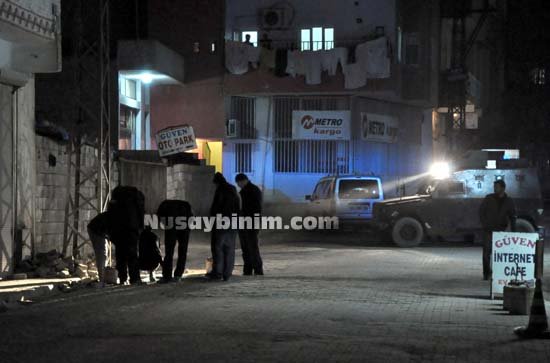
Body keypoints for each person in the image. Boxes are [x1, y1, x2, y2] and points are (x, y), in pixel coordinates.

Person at [479, 179, 517, 280]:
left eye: (497, 187)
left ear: (503, 188)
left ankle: (497, 273)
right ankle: (486, 273)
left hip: (501, 231)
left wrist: (514, 231)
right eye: (494, 187)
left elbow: (513, 216)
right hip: (488, 230)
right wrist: (485, 224)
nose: (495, 189)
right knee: (486, 252)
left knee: (498, 253)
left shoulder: (509, 201)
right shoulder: (489, 198)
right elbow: (481, 212)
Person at [107, 186, 145, 285]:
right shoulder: (136, 197)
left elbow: (110, 215)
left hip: (118, 230)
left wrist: (111, 232)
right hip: (131, 229)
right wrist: (140, 227)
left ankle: (122, 278)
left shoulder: (116, 197)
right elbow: (141, 213)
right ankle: (135, 279)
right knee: (132, 255)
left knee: (120, 255)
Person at [206, 172, 240, 281]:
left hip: (221, 222)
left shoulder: (220, 190)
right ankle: (227, 274)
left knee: (218, 248)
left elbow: (216, 207)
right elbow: (238, 206)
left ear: (217, 182)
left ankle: (217, 273)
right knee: (230, 248)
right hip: (233, 222)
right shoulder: (233, 188)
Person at [156, 199, 193, 283]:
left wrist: (165, 225)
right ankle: (178, 275)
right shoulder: (186, 204)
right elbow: (191, 217)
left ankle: (167, 276)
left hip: (171, 227)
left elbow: (159, 216)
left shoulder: (165, 204)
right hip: (184, 227)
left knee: (169, 252)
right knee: (183, 251)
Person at [235, 173, 264, 276]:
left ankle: (256, 269)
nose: (238, 185)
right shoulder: (251, 190)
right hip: (248, 222)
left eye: (238, 183)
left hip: (249, 222)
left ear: (242, 181)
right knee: (247, 247)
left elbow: (253, 208)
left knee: (251, 247)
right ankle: (249, 269)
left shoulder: (250, 191)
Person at [87, 211, 111, 287]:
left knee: (104, 254)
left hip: (100, 229)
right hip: (96, 230)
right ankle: (102, 281)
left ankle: (104, 278)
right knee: (101, 254)